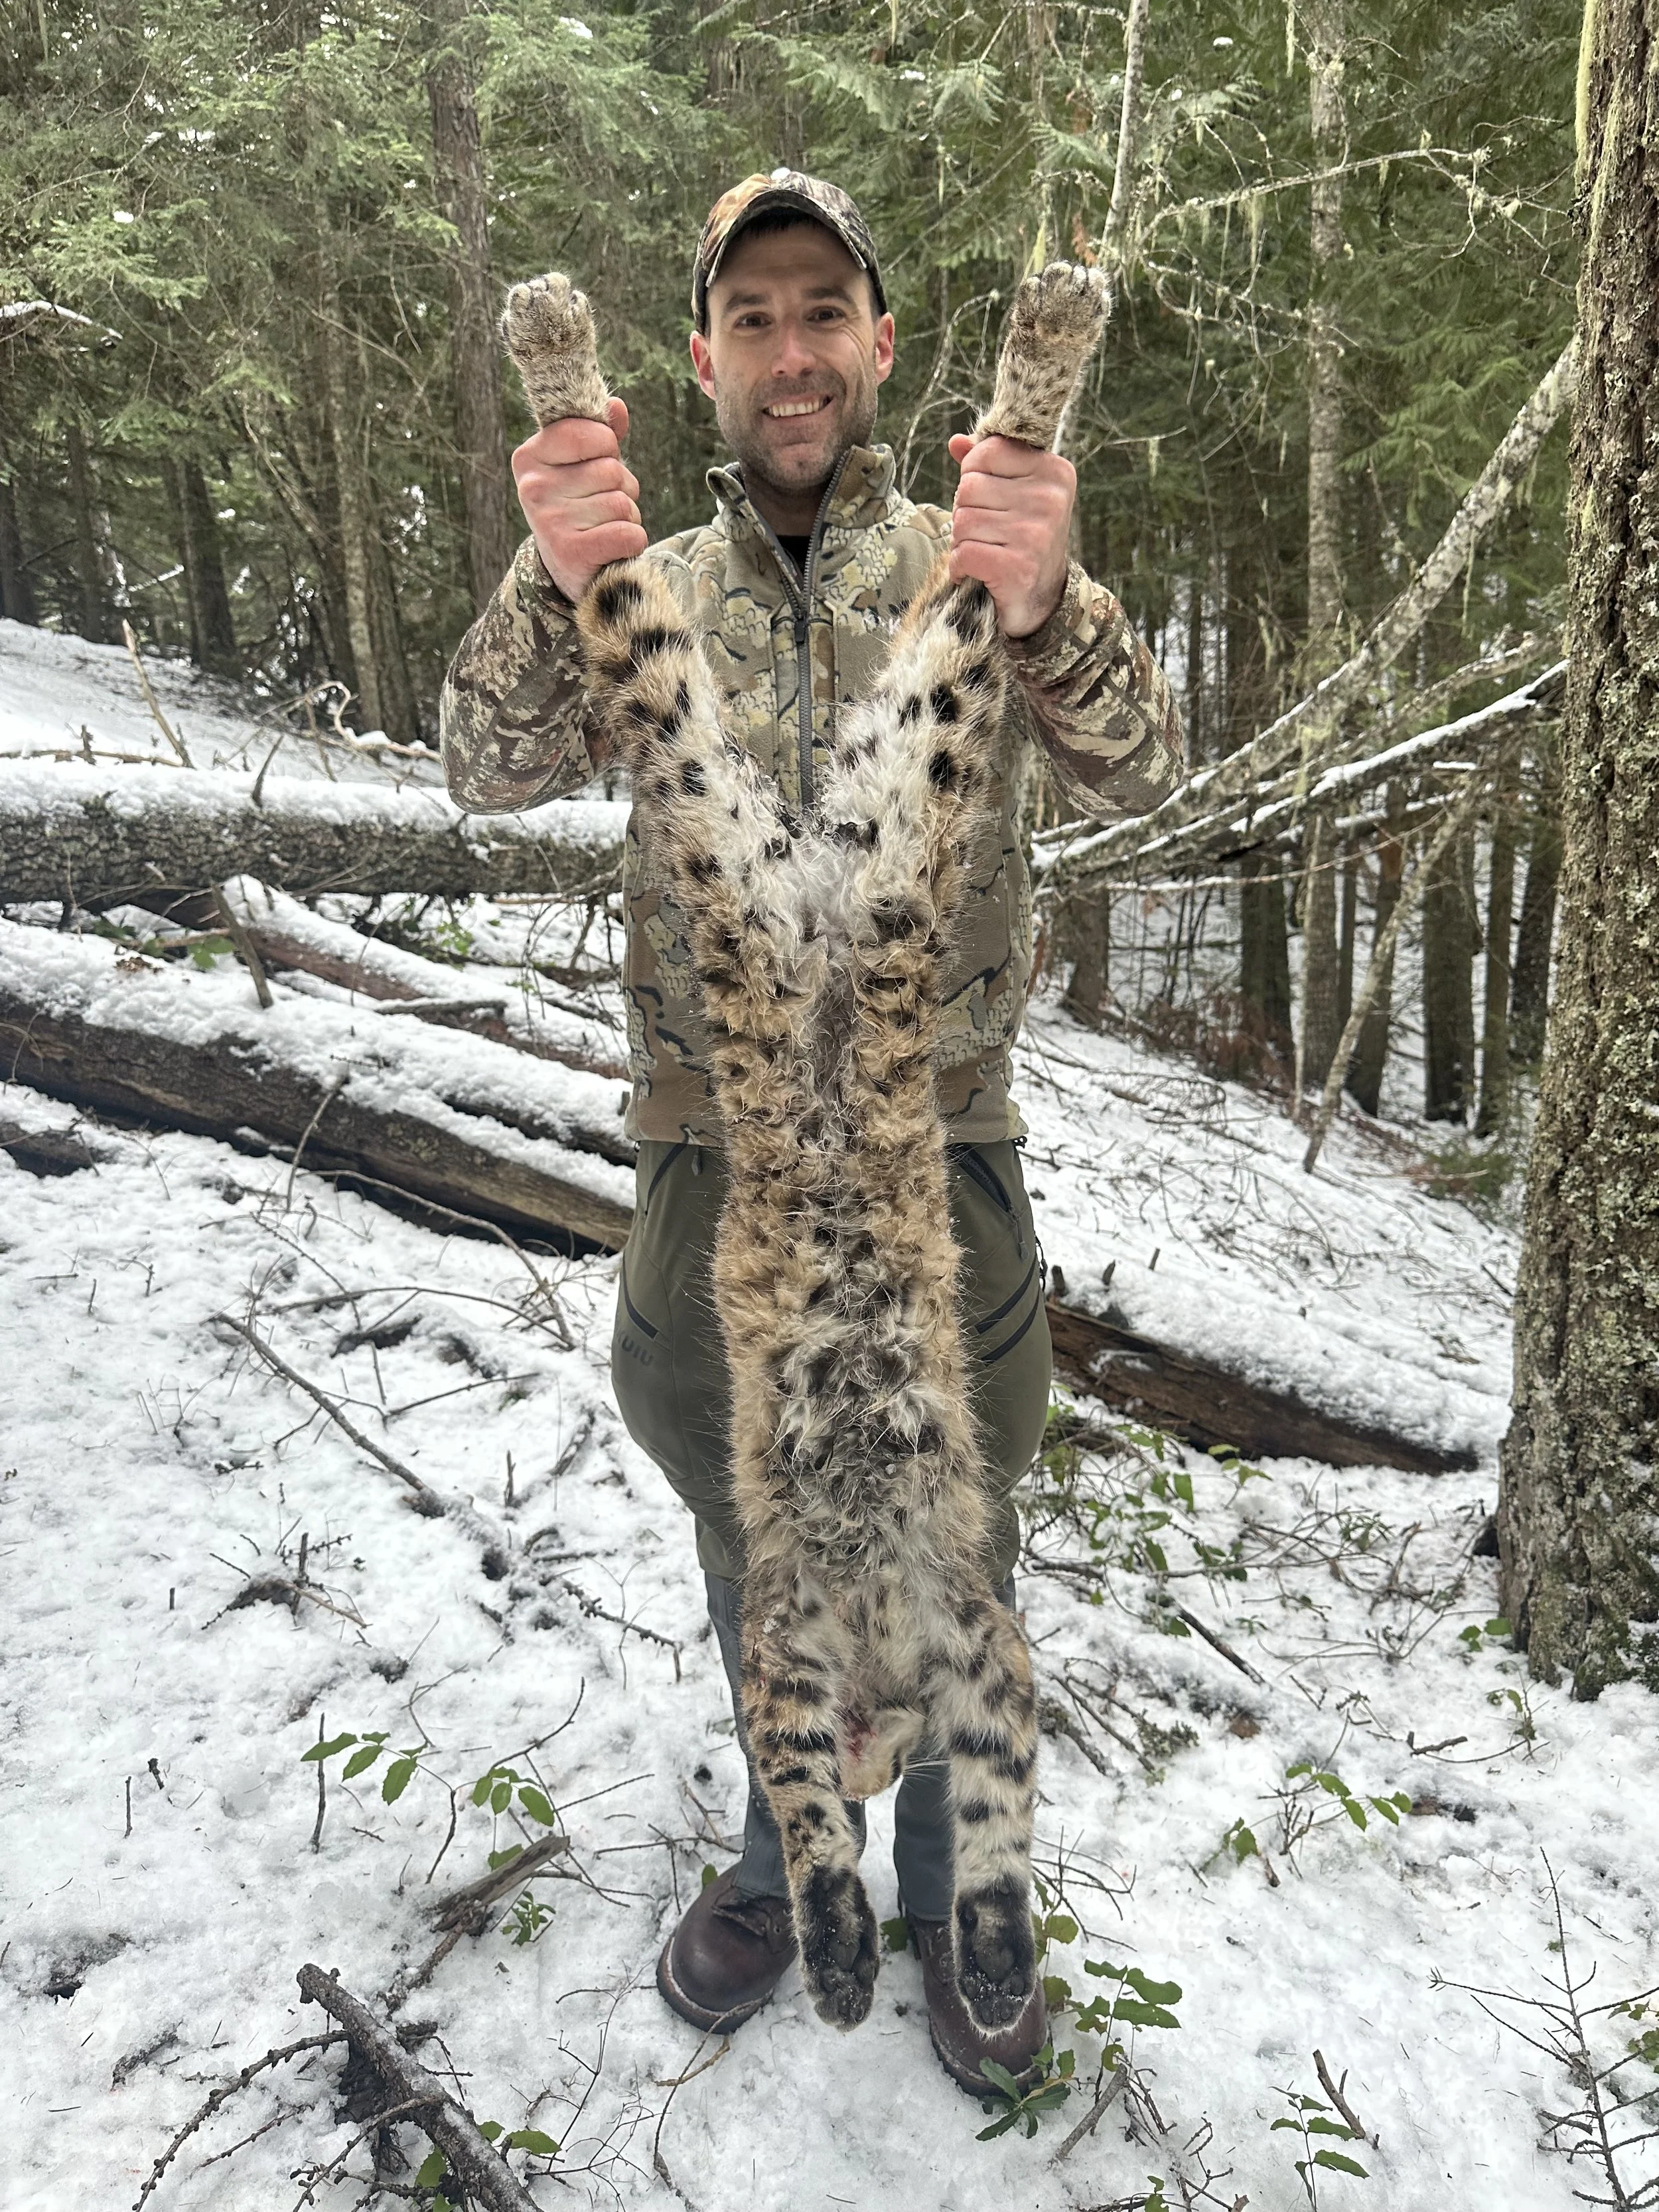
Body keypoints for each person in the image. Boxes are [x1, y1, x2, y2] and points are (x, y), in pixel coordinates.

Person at [439, 169, 1183, 2089]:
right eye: (753, 318)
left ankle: (953, 1906)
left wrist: (1052, 592)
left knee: (961, 1533)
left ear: (873, 341)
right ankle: (792, 1852)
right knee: (745, 1524)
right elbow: (479, 770)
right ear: (704, 357)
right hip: (723, 1156)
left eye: (821, 312)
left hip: (943, 1150)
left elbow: (1139, 759)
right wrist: (553, 562)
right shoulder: (647, 571)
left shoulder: (965, 544)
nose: (791, 353)